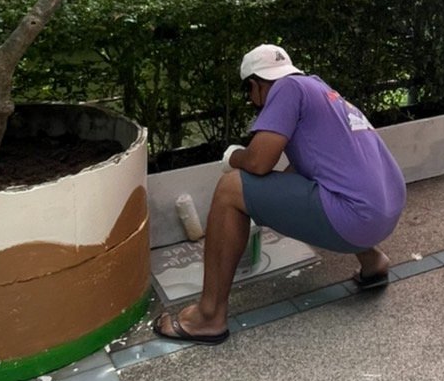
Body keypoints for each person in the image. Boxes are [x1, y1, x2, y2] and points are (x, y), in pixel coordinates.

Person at [154, 44, 407, 345]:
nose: (254, 103)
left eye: (249, 94)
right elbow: (303, 176)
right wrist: (265, 202)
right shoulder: (318, 88)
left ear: (255, 85)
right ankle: (372, 261)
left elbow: (258, 163)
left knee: (230, 189)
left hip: (355, 217)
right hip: (387, 208)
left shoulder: (286, 89)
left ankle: (209, 316)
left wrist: (233, 156)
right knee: (328, 187)